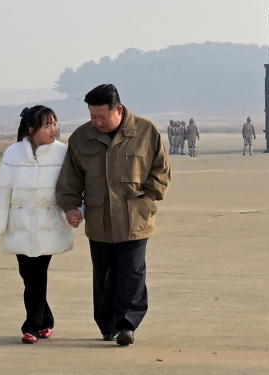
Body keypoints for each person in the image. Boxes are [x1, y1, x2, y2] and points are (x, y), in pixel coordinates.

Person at [57, 84, 171, 347]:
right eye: (92, 117)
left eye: (102, 117)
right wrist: (71, 206)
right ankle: (107, 325)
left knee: (131, 272)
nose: (96, 122)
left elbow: (161, 168)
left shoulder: (145, 131)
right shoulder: (81, 138)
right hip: (100, 219)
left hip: (135, 217)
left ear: (118, 110)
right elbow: (71, 178)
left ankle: (127, 325)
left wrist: (150, 195)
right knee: (104, 275)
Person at [0, 105, 74, 344]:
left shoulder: (62, 153)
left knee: (37, 274)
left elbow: (70, 189)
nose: (53, 129)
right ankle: (46, 318)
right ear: (31, 129)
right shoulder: (13, 153)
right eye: (47, 125)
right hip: (20, 224)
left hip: (48, 224)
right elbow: (3, 192)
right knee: (28, 274)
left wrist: (73, 212)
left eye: (55, 123)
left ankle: (31, 326)